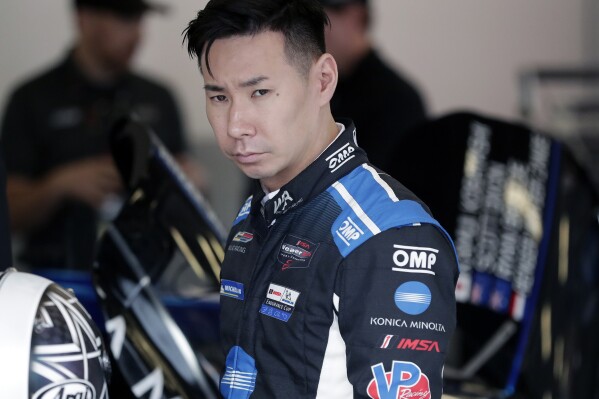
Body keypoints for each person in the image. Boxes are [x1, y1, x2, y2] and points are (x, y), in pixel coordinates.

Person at [184, 0, 459, 398]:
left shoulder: (389, 236)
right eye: (219, 97)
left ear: (323, 80)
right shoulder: (255, 214)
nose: (236, 125)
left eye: (259, 92)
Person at [0, 0, 199, 270]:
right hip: (55, 281)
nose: (136, 33)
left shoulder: (159, 98)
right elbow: (9, 214)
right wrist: (59, 186)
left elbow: (189, 198)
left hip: (145, 278)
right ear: (84, 18)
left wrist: (190, 186)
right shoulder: (31, 100)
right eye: (124, 16)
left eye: (139, 19)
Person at [319, 0, 428, 172]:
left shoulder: (398, 100)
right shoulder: (326, 85)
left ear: (355, 17)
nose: (312, 34)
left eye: (320, 21)